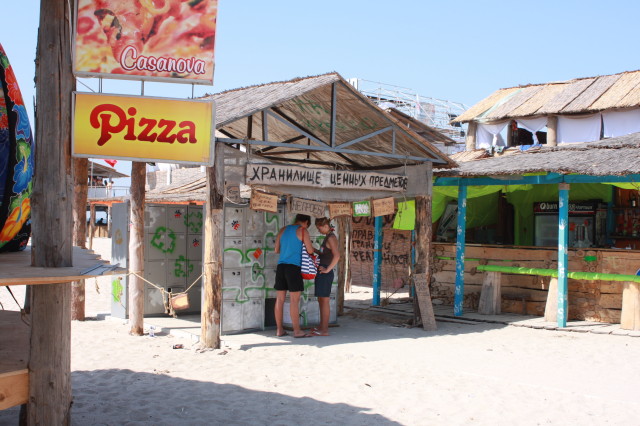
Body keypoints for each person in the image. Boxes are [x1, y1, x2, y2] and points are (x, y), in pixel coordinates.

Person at [274, 214, 314, 338]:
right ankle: (297, 331)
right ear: (306, 222)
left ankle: (279, 330)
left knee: (279, 300)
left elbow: (276, 250)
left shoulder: (283, 229)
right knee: (294, 301)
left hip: (281, 267)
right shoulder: (303, 231)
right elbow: (310, 250)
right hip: (293, 268)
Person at [311, 217, 340, 336]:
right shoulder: (327, 237)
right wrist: (313, 250)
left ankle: (324, 330)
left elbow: (337, 256)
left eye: (319, 228)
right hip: (321, 271)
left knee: (324, 301)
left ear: (326, 226)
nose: (318, 231)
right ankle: (322, 326)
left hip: (325, 272)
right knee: (321, 300)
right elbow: (324, 254)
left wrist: (328, 269)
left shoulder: (331, 238)